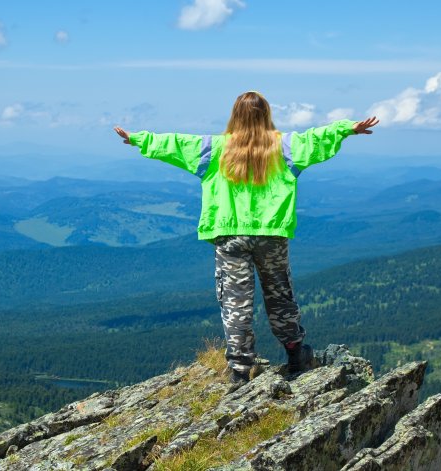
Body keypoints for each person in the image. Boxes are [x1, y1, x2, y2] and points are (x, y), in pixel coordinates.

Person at [114, 91, 378, 388]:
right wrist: (347, 128)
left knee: (235, 301)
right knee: (280, 295)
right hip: (271, 234)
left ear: (235, 116)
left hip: (230, 236)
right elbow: (317, 138)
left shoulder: (213, 149)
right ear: (266, 115)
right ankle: (296, 354)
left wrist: (138, 139)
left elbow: (174, 143)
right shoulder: (286, 147)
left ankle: (240, 371)